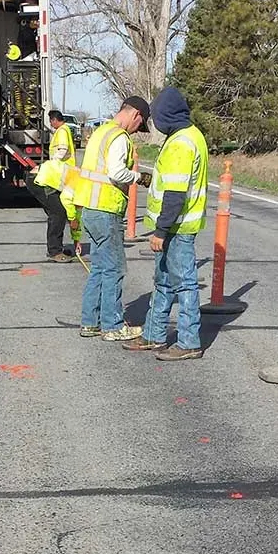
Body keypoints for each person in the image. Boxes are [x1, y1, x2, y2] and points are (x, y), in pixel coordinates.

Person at [123, 87, 208, 360]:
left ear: (166, 115)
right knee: (163, 283)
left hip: (177, 228)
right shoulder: (189, 136)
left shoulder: (181, 143)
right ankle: (153, 335)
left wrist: (160, 231)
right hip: (175, 226)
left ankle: (188, 342)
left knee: (183, 285)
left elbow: (174, 193)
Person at [74, 96, 153, 341]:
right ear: (136, 115)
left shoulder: (100, 133)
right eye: (140, 125)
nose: (137, 129)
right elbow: (116, 171)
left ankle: (90, 322)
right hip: (106, 210)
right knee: (114, 269)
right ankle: (112, 325)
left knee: (98, 268)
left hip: (90, 208)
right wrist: (139, 177)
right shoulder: (119, 138)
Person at [33, 109, 76, 263]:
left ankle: (55, 248)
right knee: (58, 213)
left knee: (58, 212)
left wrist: (53, 162)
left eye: (51, 121)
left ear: (54, 120)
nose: (50, 124)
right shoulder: (63, 131)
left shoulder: (62, 131)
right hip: (48, 179)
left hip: (56, 177)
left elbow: (63, 150)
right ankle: (54, 251)